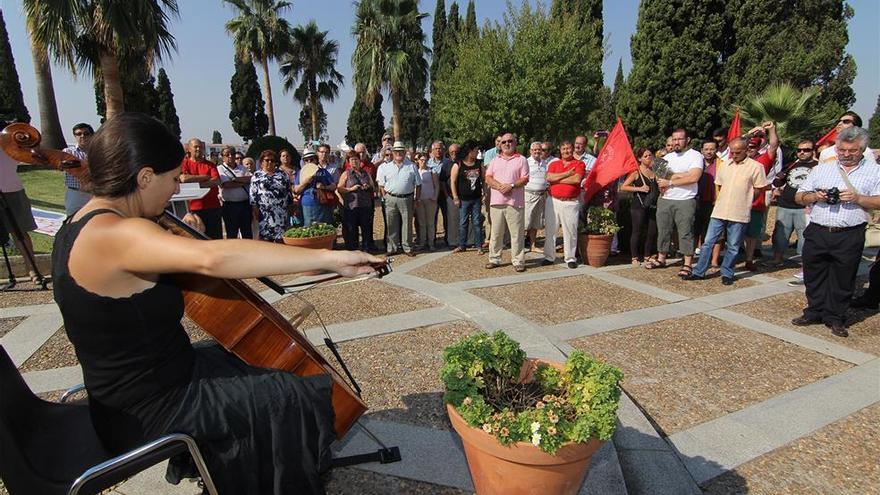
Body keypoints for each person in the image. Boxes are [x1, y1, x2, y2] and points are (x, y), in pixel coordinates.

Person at [52, 112, 381, 494]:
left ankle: (241, 468)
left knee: (244, 361)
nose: (175, 189)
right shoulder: (116, 233)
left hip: (136, 388)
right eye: (173, 179)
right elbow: (214, 259)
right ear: (144, 177)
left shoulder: (81, 219)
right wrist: (330, 258)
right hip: (151, 406)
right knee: (291, 396)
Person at [792, 126, 880, 337]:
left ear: (862, 150)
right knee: (814, 273)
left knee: (843, 276)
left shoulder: (874, 171)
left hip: (849, 233)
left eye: (852, 151)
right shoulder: (822, 169)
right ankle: (815, 310)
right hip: (819, 230)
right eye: (842, 150)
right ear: (836, 148)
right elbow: (799, 196)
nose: (846, 155)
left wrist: (858, 199)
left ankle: (836, 317)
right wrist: (815, 197)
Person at [685, 138, 769, 285]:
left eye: (738, 152)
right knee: (708, 242)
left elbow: (759, 187)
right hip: (720, 210)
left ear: (745, 150)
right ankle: (699, 271)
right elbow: (719, 185)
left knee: (733, 245)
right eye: (732, 152)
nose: (734, 155)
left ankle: (727, 273)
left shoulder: (756, 167)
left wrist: (746, 200)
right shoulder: (725, 165)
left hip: (739, 211)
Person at [652, 129, 703, 277]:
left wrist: (670, 180)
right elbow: (659, 177)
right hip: (665, 199)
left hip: (685, 200)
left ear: (687, 140)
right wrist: (682, 175)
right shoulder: (667, 157)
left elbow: (694, 177)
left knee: (685, 232)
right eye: (674, 139)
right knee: (663, 230)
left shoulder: (695, 156)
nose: (676, 142)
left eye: (679, 139)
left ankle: (687, 263)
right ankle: (661, 258)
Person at [484, 132, 530, 272]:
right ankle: (494, 258)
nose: (506, 144)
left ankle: (518, 260)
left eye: (510, 141)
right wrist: (500, 187)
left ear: (515, 143)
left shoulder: (522, 159)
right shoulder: (495, 160)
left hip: (515, 202)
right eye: (503, 142)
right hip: (497, 202)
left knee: (516, 233)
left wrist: (511, 186)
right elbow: (488, 177)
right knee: (496, 233)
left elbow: (525, 178)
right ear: (500, 144)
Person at [770, 139, 817, 265]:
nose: (802, 152)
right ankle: (777, 258)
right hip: (785, 204)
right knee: (780, 233)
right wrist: (779, 179)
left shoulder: (817, 167)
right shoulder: (791, 165)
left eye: (806, 150)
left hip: (805, 207)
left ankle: (804, 261)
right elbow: (777, 183)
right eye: (799, 150)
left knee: (804, 235)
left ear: (813, 151)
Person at [0, 147, 41, 282]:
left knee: (20, 233)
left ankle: (33, 270)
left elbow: (32, 156)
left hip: (13, 191)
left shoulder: (9, 141)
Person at [742, 123, 779, 271]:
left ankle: (749, 259)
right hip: (738, 203)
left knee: (752, 235)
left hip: (756, 203)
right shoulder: (737, 159)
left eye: (753, 147)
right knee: (735, 234)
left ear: (758, 148)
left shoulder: (763, 160)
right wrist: (749, 133)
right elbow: (734, 143)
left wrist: (771, 130)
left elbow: (774, 146)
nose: (750, 150)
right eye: (748, 147)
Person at [544, 141, 585, 269]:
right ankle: (549, 256)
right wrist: (567, 174)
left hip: (570, 202)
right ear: (560, 150)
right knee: (550, 230)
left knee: (570, 231)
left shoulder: (579, 163)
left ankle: (570, 258)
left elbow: (577, 179)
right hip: (553, 201)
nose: (566, 151)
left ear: (572, 149)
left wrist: (557, 179)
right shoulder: (554, 163)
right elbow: (549, 177)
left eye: (568, 148)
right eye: (563, 149)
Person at [376, 141, 421, 256]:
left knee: (407, 224)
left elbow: (418, 184)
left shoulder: (411, 166)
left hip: (407, 198)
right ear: (393, 153)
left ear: (404, 152)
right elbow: (381, 184)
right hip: (390, 198)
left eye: (401, 151)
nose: (398, 153)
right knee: (391, 224)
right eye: (396, 151)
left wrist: (417, 199)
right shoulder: (386, 167)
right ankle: (392, 248)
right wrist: (385, 197)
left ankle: (407, 248)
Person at [620, 147, 659, 266]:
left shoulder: (654, 171)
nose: (649, 158)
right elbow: (623, 187)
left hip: (652, 205)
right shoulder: (636, 172)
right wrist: (639, 188)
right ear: (640, 158)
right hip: (638, 205)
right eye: (645, 156)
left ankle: (647, 255)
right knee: (637, 231)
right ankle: (634, 257)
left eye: (650, 155)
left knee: (651, 231)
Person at [179, 139, 222, 239]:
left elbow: (216, 181)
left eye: (201, 147)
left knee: (215, 239)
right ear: (189, 149)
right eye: (196, 147)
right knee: (196, 239)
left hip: (212, 208)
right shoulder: (184, 164)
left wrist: (195, 183)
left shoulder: (210, 165)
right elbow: (184, 179)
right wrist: (205, 177)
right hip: (193, 209)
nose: (199, 149)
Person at [250, 150, 294, 242]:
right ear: (262, 162)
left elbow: (289, 192)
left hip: (281, 213)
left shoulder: (282, 175)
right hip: (264, 214)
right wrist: (255, 210)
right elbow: (253, 195)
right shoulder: (257, 176)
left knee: (281, 240)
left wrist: (291, 207)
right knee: (266, 241)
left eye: (272, 160)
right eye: (267, 160)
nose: (270, 162)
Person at [450, 141, 484, 253]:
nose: (478, 152)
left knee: (477, 222)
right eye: (476, 150)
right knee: (463, 223)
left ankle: (479, 245)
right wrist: (455, 197)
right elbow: (453, 182)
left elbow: (483, 180)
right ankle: (462, 245)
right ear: (470, 151)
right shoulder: (458, 164)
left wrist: (485, 193)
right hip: (463, 200)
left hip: (476, 198)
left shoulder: (479, 164)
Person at [337, 151, 375, 251]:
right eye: (352, 160)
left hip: (365, 206)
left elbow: (373, 186)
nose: (354, 162)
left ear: (359, 160)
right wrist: (350, 189)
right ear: (348, 162)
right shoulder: (346, 174)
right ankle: (353, 250)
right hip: (351, 206)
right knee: (352, 230)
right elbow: (339, 188)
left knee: (366, 229)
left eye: (356, 159)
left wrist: (368, 186)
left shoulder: (365, 173)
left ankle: (367, 248)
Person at [217, 146, 253, 239]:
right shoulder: (220, 169)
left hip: (244, 205)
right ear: (222, 157)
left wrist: (234, 179)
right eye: (227, 154)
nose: (230, 156)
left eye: (232, 154)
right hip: (230, 206)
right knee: (232, 233)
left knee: (247, 232)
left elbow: (250, 179)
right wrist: (242, 182)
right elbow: (226, 184)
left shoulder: (242, 168)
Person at [295, 149, 335, 226]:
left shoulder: (323, 171)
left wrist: (324, 187)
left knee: (324, 228)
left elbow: (333, 186)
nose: (309, 162)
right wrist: (305, 182)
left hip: (323, 202)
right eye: (306, 160)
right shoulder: (300, 173)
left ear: (316, 160)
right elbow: (296, 190)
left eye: (311, 159)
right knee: (309, 229)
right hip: (308, 203)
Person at [62, 123, 93, 215]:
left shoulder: (98, 152)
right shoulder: (67, 152)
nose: (82, 136)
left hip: (94, 194)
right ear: (75, 136)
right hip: (75, 194)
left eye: (86, 133)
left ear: (92, 135)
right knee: (72, 220)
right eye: (79, 134)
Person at [524, 141, 550, 252]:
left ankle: (533, 245)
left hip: (542, 195)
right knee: (526, 222)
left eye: (539, 149)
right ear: (530, 151)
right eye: (534, 150)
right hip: (529, 195)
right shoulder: (526, 162)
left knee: (536, 222)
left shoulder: (545, 163)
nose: (537, 152)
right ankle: (520, 246)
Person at [414, 152, 439, 251]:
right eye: (421, 160)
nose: (423, 162)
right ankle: (422, 242)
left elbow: (436, 185)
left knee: (430, 223)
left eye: (425, 160)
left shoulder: (432, 171)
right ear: (418, 161)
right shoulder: (416, 171)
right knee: (421, 223)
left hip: (430, 199)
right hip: (420, 200)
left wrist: (435, 197)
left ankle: (431, 242)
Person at [278, 148, 302, 227]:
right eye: (283, 156)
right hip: (284, 200)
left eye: (287, 156)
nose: (285, 158)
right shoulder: (277, 171)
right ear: (280, 158)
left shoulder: (297, 169)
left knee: (299, 222)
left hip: (298, 198)